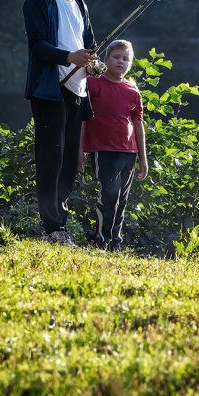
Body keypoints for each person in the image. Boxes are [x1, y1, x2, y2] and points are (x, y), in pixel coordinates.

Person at [23, 0, 100, 247]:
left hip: (77, 92)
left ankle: (61, 226)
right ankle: (51, 227)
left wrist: (94, 66)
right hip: (49, 91)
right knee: (50, 158)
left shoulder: (80, 6)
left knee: (70, 161)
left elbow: (90, 48)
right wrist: (70, 56)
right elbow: (38, 47)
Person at [79, 40, 148, 250]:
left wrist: (143, 159)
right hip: (103, 150)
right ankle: (101, 239)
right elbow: (82, 119)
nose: (121, 62)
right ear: (106, 59)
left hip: (128, 152)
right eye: (116, 57)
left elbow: (138, 124)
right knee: (109, 193)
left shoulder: (132, 90)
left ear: (131, 63)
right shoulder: (93, 84)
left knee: (122, 198)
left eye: (126, 59)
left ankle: (115, 242)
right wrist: (79, 151)